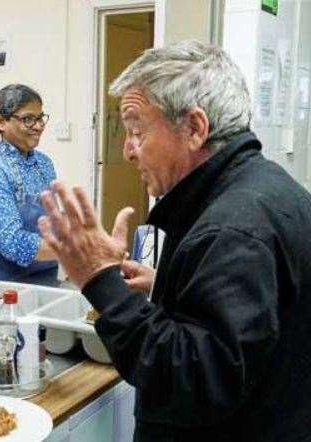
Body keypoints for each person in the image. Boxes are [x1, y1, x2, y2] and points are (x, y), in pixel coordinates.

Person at [39, 40, 311, 441]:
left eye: (136, 132)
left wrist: (100, 280)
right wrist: (169, 280)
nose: (128, 151)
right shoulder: (267, 189)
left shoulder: (233, 231)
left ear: (195, 129)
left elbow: (193, 381)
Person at [0, 84, 58, 288]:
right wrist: (74, 251)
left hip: (44, 282)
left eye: (40, 118)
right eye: (28, 119)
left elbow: (53, 223)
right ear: (1, 122)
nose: (38, 126)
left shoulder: (43, 163)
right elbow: (14, 244)